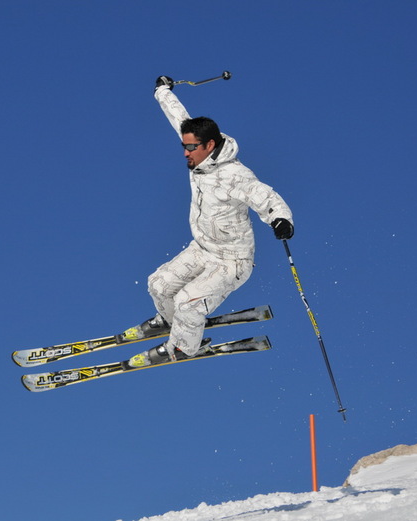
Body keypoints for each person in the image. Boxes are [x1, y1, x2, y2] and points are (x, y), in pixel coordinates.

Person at [125, 75, 295, 368]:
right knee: (158, 285)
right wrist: (162, 91)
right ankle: (171, 323)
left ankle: (183, 346)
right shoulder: (198, 158)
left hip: (232, 261)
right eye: (184, 146)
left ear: (210, 144)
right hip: (202, 248)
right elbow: (178, 116)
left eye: (191, 148)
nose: (185, 153)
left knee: (187, 304)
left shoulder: (235, 175)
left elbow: (265, 196)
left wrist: (280, 220)